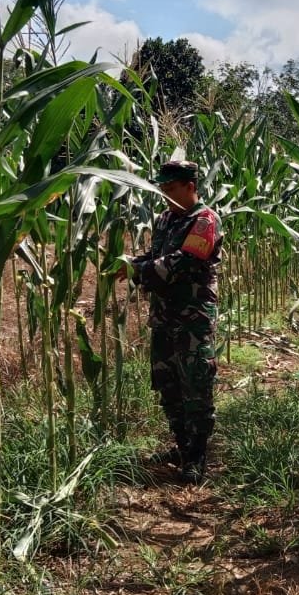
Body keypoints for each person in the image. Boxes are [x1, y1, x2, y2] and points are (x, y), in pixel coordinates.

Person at [130, 161, 222, 484]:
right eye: (163, 191)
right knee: (168, 385)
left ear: (191, 187)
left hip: (193, 319)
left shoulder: (206, 221)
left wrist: (139, 272)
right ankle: (181, 446)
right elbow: (153, 256)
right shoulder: (165, 221)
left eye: (171, 190)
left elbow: (183, 262)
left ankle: (196, 457)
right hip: (164, 318)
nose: (166, 197)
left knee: (195, 385)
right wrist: (130, 263)